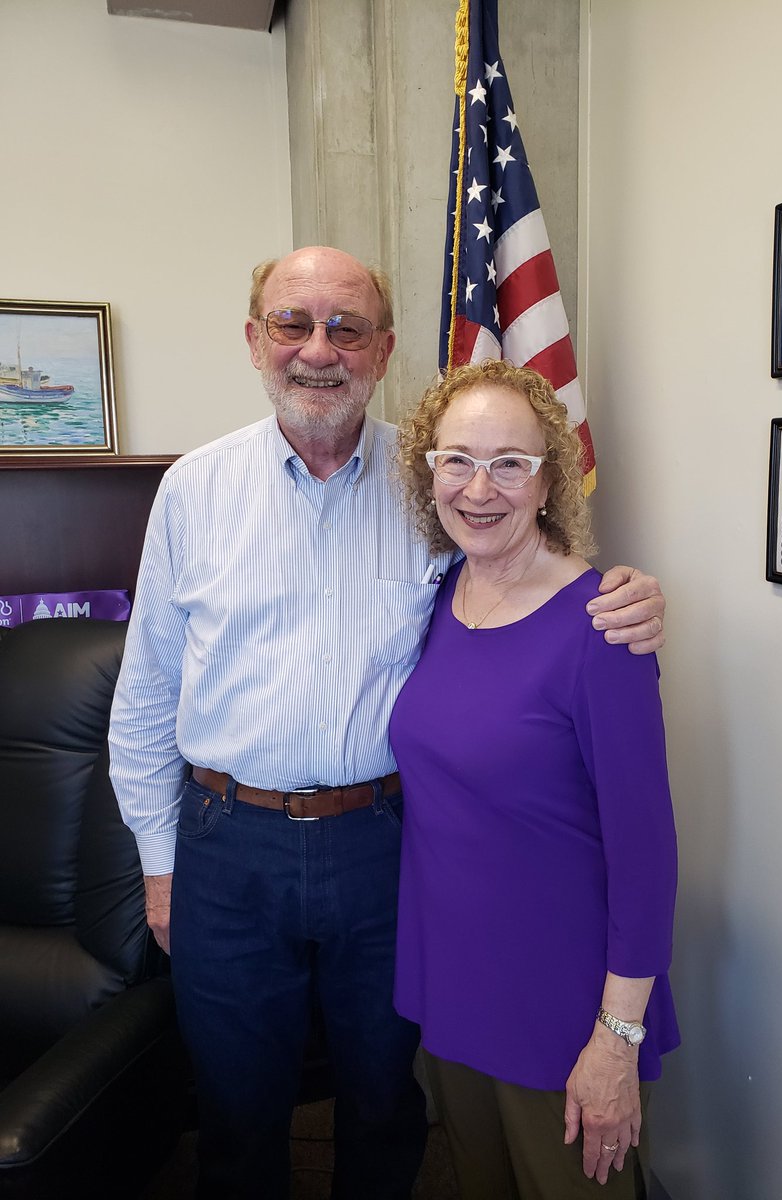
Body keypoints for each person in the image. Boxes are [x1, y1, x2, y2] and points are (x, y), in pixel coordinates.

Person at [108, 246, 667, 1200]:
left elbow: (521, 584)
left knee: (384, 1103)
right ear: (255, 341)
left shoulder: (432, 486)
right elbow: (146, 698)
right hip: (224, 848)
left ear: (384, 348)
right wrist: (160, 866)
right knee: (236, 1116)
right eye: (293, 323)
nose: (317, 349)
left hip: (387, 852)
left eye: (346, 327)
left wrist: (628, 595)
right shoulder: (193, 492)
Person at [391, 358, 679, 1200]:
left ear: (550, 480)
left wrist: (614, 1040)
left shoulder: (601, 629)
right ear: (429, 470)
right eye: (458, 459)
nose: (481, 488)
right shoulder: (440, 596)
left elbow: (647, 856)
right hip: (454, 985)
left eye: (510, 463)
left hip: (566, 1009)